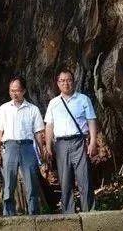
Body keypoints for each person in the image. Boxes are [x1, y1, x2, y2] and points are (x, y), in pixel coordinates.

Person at [44, 68, 98, 213]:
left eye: (68, 80)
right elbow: (49, 125)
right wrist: (48, 146)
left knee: (84, 179)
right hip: (60, 144)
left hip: (79, 142)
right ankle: (68, 214)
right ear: (57, 83)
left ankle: (89, 213)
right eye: (62, 81)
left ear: (73, 82)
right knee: (65, 180)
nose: (65, 83)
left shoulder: (83, 99)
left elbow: (91, 121)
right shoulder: (53, 103)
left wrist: (93, 142)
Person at [0, 75, 46, 215]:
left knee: (31, 181)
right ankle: (8, 214)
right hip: (9, 147)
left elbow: (38, 133)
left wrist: (42, 151)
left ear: (24, 91)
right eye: (11, 90)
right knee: (9, 182)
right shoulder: (4, 108)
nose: (14, 93)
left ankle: (34, 213)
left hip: (28, 147)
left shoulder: (32, 109)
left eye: (17, 90)